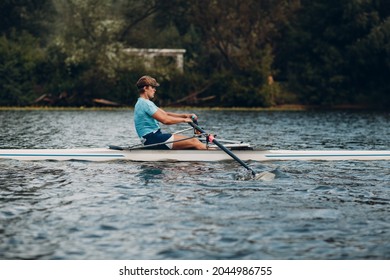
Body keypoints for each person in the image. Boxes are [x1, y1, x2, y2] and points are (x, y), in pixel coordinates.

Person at [134, 75, 208, 150]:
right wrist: (184, 120)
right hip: (153, 139)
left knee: (192, 143)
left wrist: (185, 115)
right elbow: (165, 120)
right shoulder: (145, 104)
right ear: (145, 88)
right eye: (152, 87)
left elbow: (165, 114)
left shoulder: (143, 102)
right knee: (194, 141)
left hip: (152, 138)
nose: (155, 90)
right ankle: (216, 155)